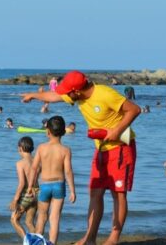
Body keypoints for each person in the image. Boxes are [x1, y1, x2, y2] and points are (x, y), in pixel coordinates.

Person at [21, 70, 140, 245]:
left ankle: (114, 237)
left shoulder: (105, 94)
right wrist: (33, 95)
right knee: (95, 193)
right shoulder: (78, 95)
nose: (66, 95)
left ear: (76, 91)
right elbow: (55, 95)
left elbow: (134, 109)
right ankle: (90, 238)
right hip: (101, 150)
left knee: (118, 194)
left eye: (68, 92)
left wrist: (117, 130)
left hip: (122, 148)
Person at [26, 116, 76, 244]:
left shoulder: (41, 148)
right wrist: (72, 191)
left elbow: (34, 168)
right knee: (55, 218)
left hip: (45, 185)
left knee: (42, 216)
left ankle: (37, 242)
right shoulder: (66, 150)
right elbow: (68, 171)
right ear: (64, 132)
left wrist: (30, 186)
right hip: (59, 185)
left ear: (47, 132)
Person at [9, 136, 38, 240]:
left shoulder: (20, 163)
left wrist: (15, 199)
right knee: (29, 222)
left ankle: (27, 241)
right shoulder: (36, 161)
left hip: (27, 194)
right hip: (37, 192)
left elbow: (22, 183)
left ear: (20, 148)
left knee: (14, 219)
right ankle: (37, 242)